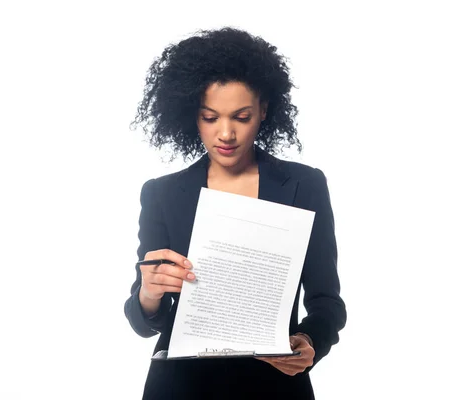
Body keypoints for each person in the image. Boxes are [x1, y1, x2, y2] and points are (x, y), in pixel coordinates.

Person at [124, 27, 347, 399]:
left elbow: (327, 302)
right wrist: (149, 293)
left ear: (263, 110)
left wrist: (309, 340)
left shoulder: (304, 185)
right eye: (210, 117)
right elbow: (145, 321)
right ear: (191, 115)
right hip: (181, 387)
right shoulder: (161, 194)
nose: (225, 133)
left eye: (241, 117)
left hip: (275, 384)